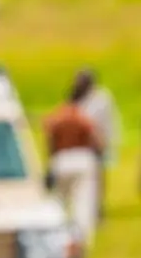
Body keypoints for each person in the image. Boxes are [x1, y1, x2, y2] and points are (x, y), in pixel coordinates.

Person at [43, 73, 106, 245]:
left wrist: (50, 164)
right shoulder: (82, 117)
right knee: (83, 205)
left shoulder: (57, 116)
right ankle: (81, 243)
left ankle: (54, 240)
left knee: (58, 204)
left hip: (61, 160)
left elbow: (50, 141)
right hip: (83, 160)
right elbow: (98, 141)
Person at [75, 68, 121, 226]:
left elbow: (106, 122)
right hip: (83, 145)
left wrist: (106, 142)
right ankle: (88, 211)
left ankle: (99, 211)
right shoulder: (79, 97)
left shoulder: (102, 98)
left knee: (98, 180)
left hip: (99, 145)